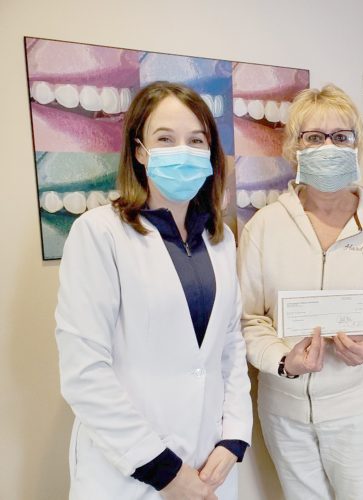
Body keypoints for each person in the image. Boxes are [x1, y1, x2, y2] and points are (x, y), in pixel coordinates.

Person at [55, 81, 252, 500]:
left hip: (209, 461)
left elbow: (230, 347)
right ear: (140, 151)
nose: (183, 150)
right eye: (165, 138)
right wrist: (165, 472)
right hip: (130, 470)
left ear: (211, 154)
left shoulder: (220, 240)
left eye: (196, 140)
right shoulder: (99, 234)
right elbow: (84, 372)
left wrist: (234, 437)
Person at [237, 84, 363, 500]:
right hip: (284, 411)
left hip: (358, 409)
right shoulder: (265, 227)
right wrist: (283, 360)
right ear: (294, 148)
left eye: (341, 136)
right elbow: (248, 318)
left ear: (357, 145)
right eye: (314, 137)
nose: (328, 147)